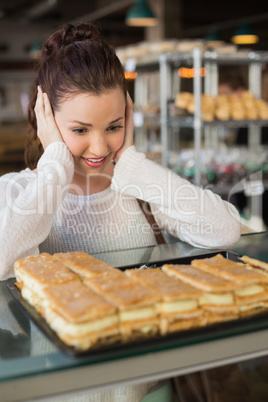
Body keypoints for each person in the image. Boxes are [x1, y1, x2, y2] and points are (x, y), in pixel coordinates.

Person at [0, 22, 241, 401]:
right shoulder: (19, 190)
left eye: (114, 126)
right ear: (45, 116)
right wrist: (55, 166)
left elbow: (225, 231)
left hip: (146, 393)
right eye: (80, 130)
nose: (99, 147)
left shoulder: (139, 185)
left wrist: (130, 163)